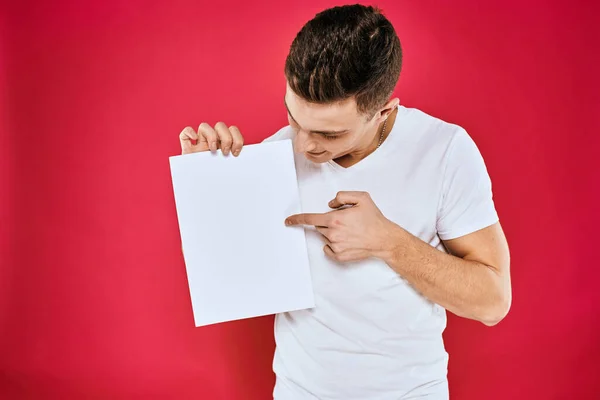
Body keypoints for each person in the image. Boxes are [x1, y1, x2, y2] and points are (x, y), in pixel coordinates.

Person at [178, 4, 511, 399]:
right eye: (294, 119)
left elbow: (492, 301)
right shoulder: (275, 156)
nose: (303, 145)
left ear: (384, 110)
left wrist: (388, 242)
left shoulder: (444, 151)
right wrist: (205, 184)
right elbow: (228, 280)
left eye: (329, 134)